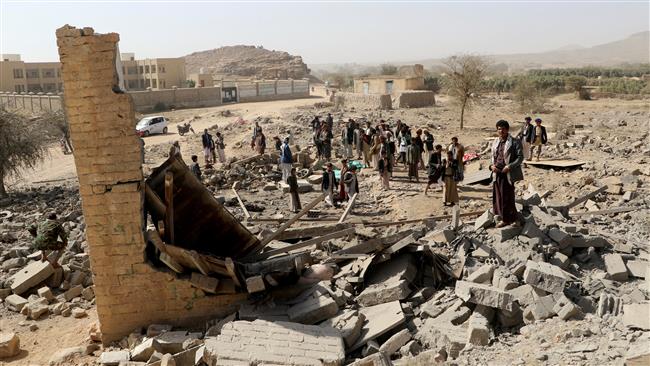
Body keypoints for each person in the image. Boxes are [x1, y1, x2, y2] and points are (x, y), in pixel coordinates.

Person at [490, 120, 524, 227]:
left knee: (508, 197)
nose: (501, 131)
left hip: (508, 173)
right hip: (497, 173)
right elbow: (492, 158)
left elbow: (520, 158)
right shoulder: (495, 142)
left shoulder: (514, 142)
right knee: (498, 197)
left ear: (507, 129)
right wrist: (491, 167)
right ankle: (503, 218)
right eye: (499, 129)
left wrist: (509, 167)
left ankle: (512, 219)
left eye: (503, 129)